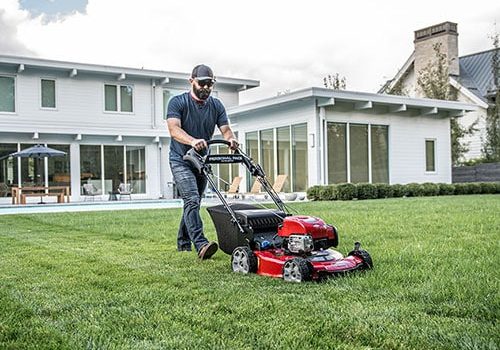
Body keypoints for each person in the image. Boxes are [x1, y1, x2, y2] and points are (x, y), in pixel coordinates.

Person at [166, 64, 239, 259]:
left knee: (194, 202)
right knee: (191, 198)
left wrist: (230, 139)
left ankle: (183, 243)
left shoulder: (216, 105)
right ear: (192, 81)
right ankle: (200, 244)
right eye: (203, 83)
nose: (206, 88)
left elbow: (226, 129)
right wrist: (192, 141)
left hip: (201, 161)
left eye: (210, 84)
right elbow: (174, 130)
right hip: (181, 159)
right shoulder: (177, 102)